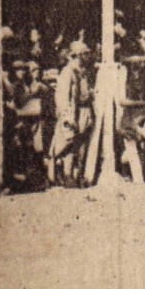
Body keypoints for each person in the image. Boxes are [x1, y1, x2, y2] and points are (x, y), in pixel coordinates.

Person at [47, 40, 94, 187]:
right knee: (67, 144)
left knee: (80, 146)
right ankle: (65, 176)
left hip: (84, 113)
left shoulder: (83, 72)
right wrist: (67, 116)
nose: (87, 56)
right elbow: (61, 97)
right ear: (77, 55)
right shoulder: (67, 72)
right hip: (73, 113)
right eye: (84, 54)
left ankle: (77, 176)